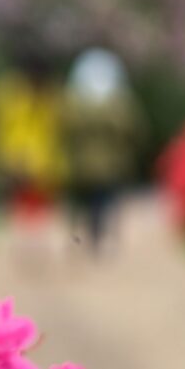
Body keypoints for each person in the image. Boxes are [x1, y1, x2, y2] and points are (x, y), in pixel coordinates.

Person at [64, 48, 142, 254]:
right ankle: (93, 238)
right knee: (97, 203)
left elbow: (130, 128)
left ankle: (97, 238)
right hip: (92, 166)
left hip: (104, 165)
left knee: (104, 202)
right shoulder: (112, 101)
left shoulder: (110, 101)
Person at [0, 43, 68, 220]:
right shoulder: (9, 90)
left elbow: (57, 130)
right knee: (22, 212)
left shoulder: (49, 94)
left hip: (39, 166)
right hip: (17, 163)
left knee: (37, 213)